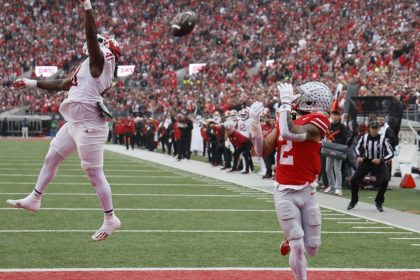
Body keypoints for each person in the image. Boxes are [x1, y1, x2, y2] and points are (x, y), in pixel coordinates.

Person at [6, 0, 121, 242]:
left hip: (90, 124)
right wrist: (31, 83)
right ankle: (35, 198)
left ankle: (111, 218)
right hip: (75, 122)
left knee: (92, 172)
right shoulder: (90, 67)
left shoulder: (102, 60)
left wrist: (87, 6)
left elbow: (91, 37)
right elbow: (61, 84)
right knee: (52, 156)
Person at [249, 82, 333, 280]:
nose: (297, 96)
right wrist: (254, 123)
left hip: (308, 188)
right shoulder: (289, 116)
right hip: (284, 189)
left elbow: (290, 132)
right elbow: (261, 150)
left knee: (312, 247)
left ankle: (292, 235)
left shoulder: (319, 120)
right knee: (297, 245)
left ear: (312, 100)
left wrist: (285, 104)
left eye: (301, 94)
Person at [347, 120, 394, 212]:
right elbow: (356, 147)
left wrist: (381, 160)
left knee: (385, 181)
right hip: (366, 162)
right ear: (369, 128)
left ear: (379, 129)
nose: (374, 130)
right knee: (354, 180)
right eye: (372, 128)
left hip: (378, 162)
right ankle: (353, 200)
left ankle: (379, 202)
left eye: (376, 128)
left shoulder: (383, 139)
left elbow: (391, 153)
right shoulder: (364, 137)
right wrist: (359, 156)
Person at [323, 110, 347, 195]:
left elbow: (344, 139)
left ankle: (338, 188)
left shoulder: (342, 127)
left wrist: (333, 141)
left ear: (339, 116)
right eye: (333, 114)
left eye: (336, 115)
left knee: (337, 169)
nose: (334, 116)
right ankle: (331, 186)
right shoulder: (329, 126)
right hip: (329, 149)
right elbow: (326, 135)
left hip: (338, 150)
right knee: (328, 168)